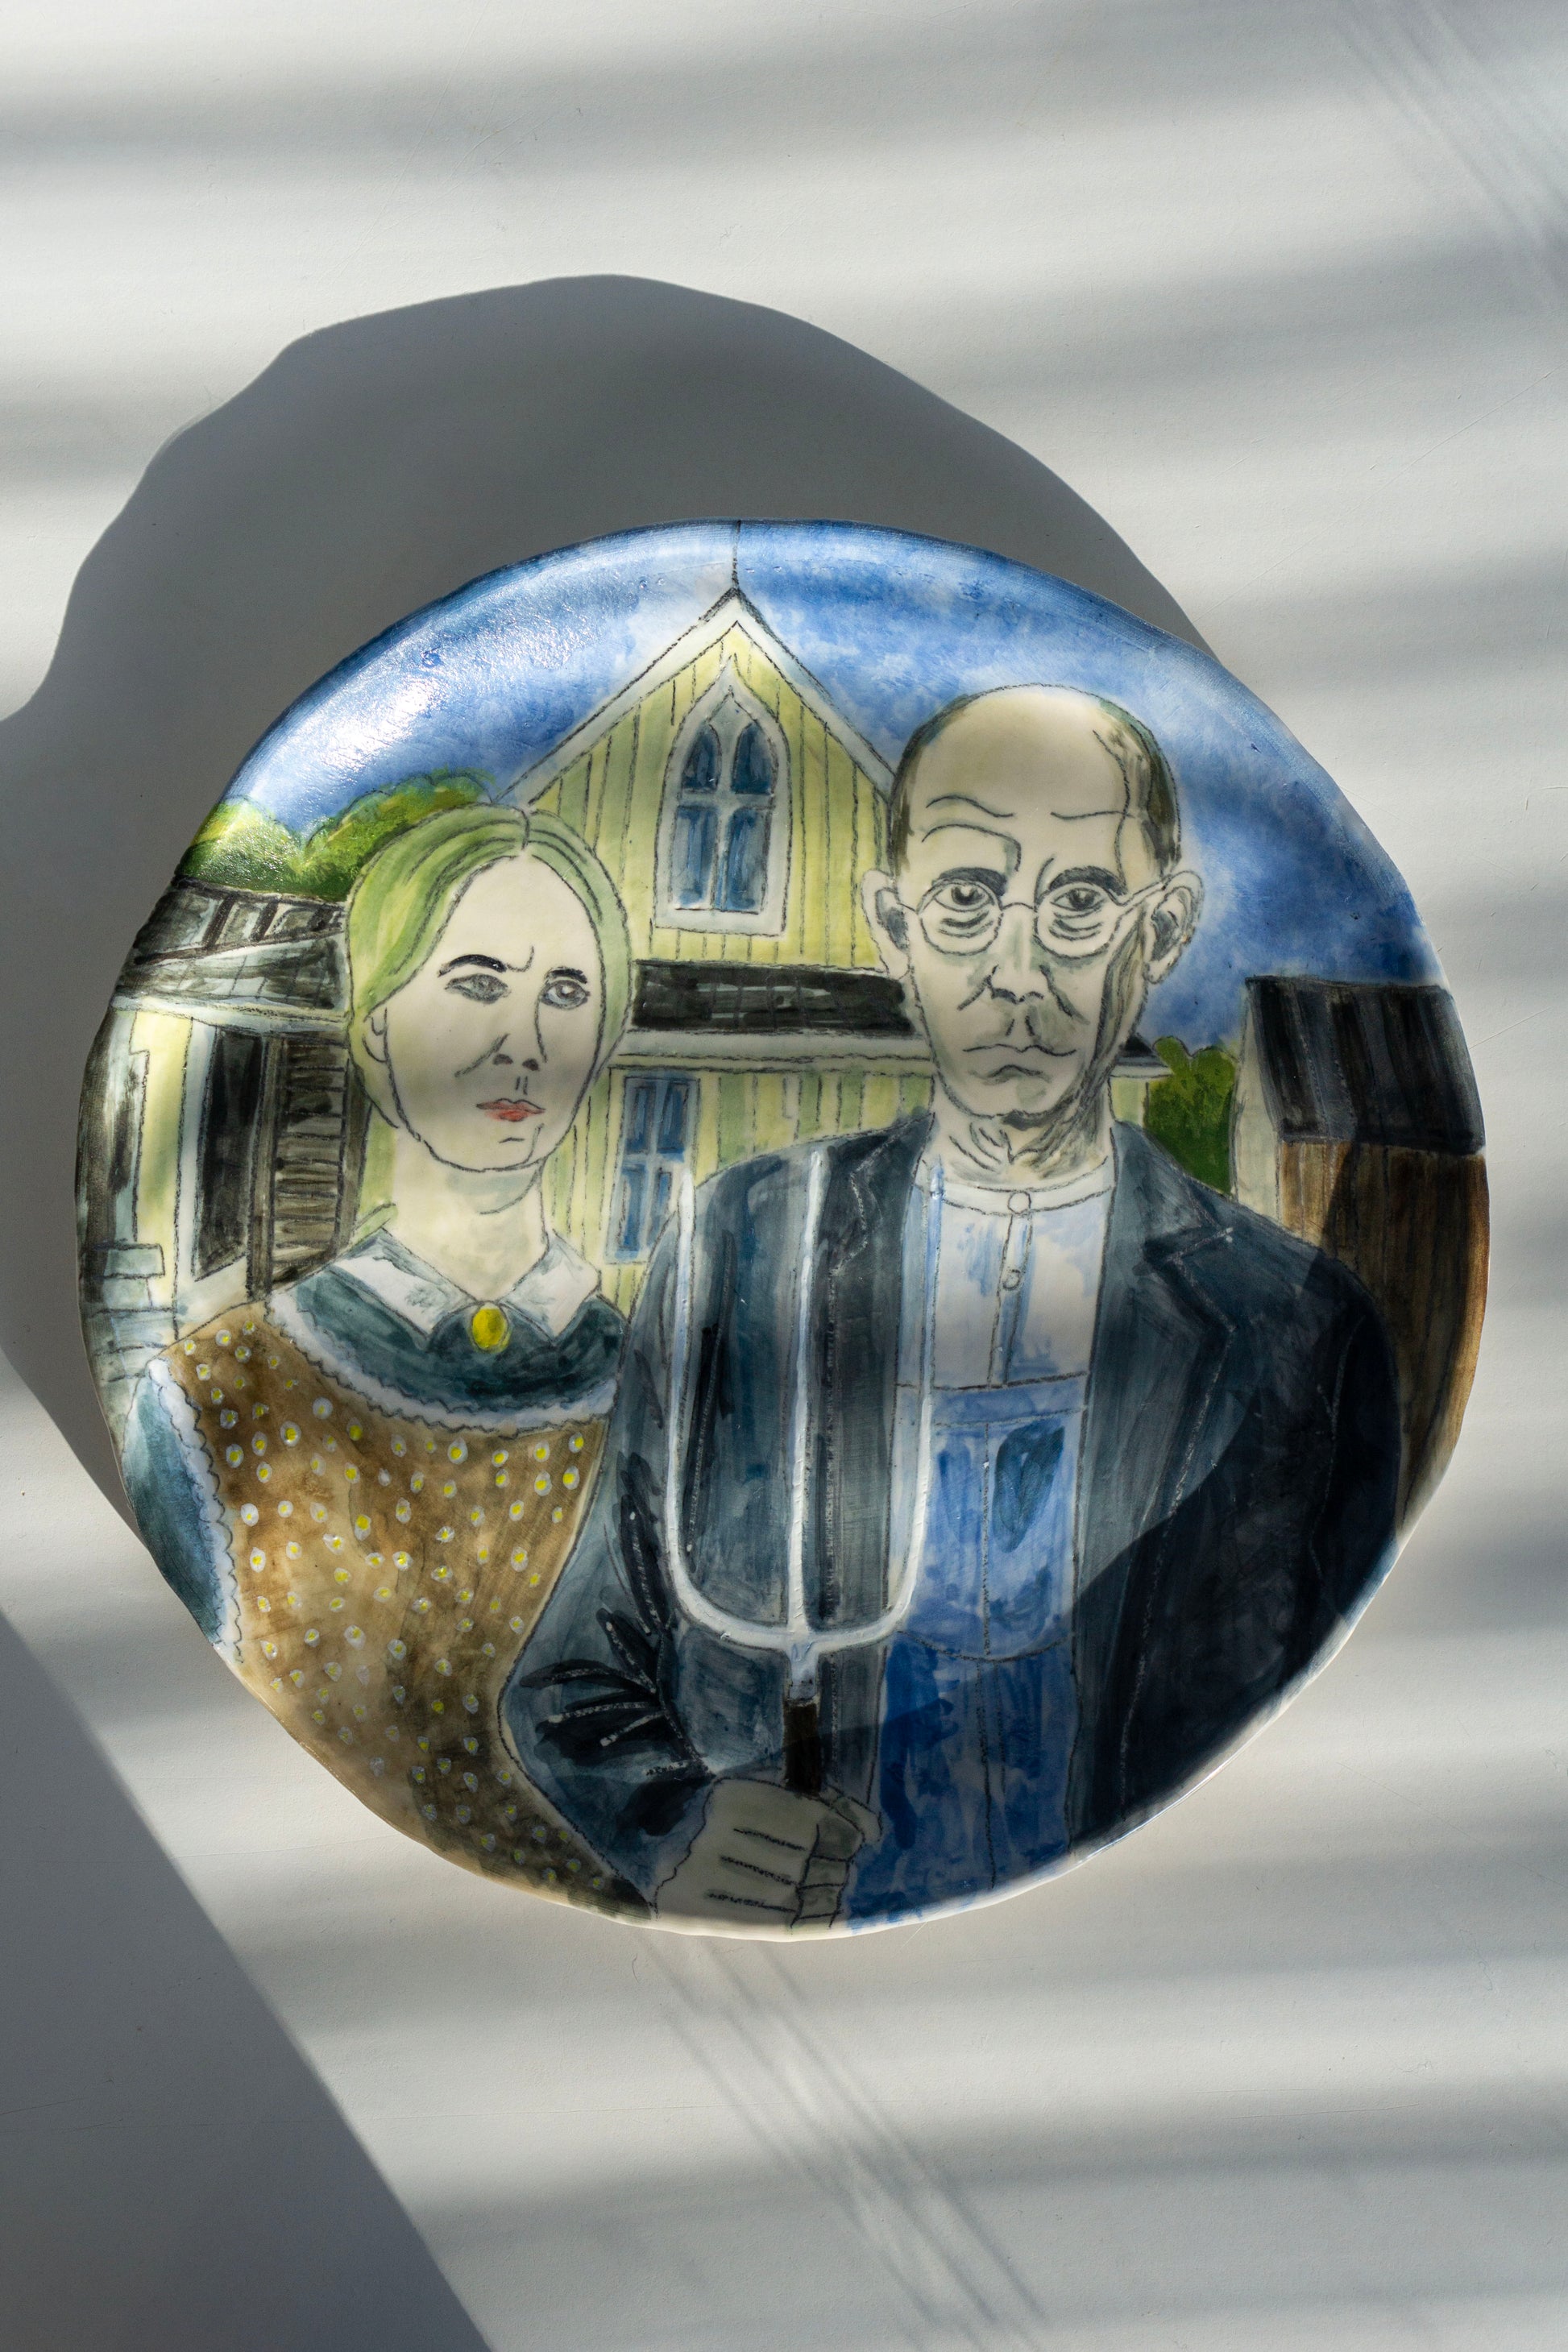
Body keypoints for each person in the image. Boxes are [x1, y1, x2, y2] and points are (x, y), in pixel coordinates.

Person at [504, 686, 1401, 1929]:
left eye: (1079, 905)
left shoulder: (1289, 1326)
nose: (1015, 974)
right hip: (821, 1939)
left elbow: (1341, 1722)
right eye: (966, 901)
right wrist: (675, 1825)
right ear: (893, 927)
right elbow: (574, 1678)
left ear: (1162, 930)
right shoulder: (748, 1245)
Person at [122, 802, 642, 1906]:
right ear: (371, 1028)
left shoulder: (675, 1396)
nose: (524, 1042)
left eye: (565, 994)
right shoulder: (215, 1400)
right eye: (475, 982)